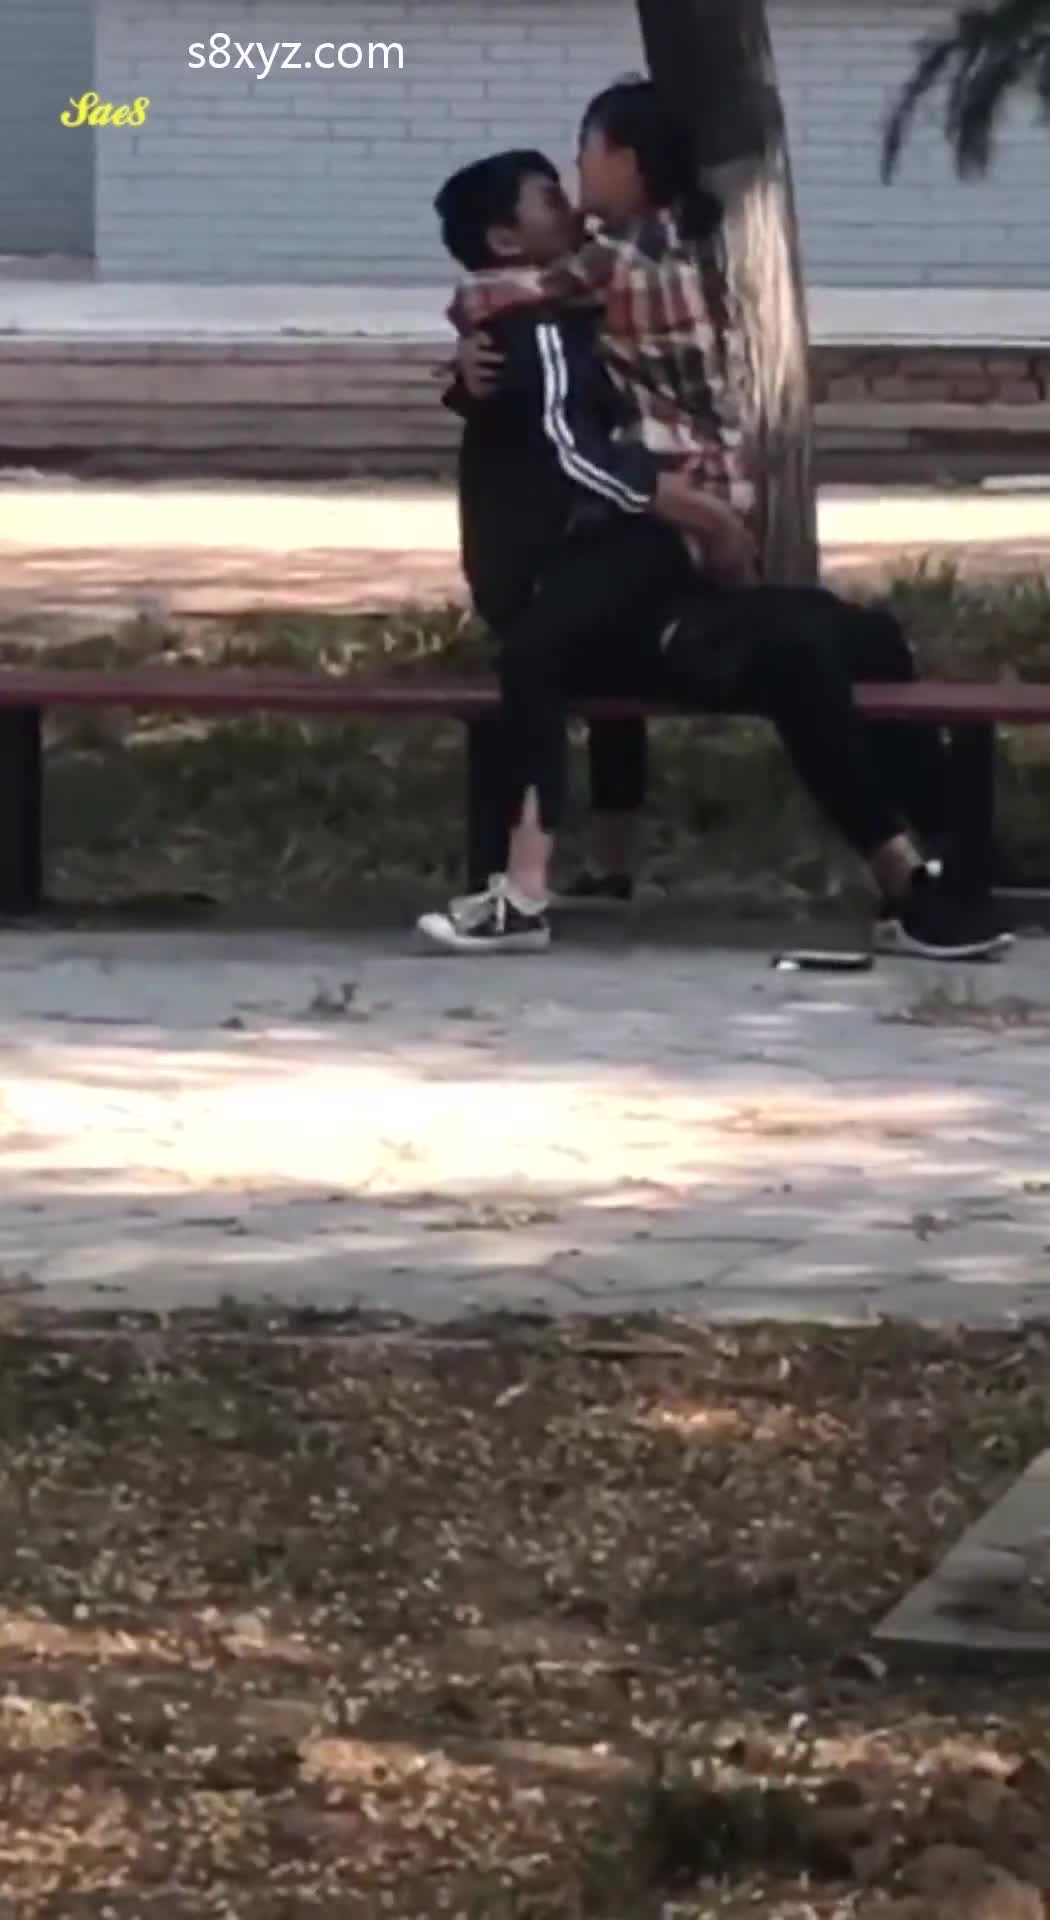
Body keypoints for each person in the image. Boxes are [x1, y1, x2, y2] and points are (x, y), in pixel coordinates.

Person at [417, 134, 1010, 962]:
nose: (572, 200)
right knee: (789, 655)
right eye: (549, 196)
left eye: (579, 169)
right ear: (506, 239)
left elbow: (536, 341)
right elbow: (564, 446)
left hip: (644, 589)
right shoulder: (535, 324)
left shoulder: (590, 295)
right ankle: (905, 884)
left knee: (861, 636)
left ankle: (955, 865)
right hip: (586, 599)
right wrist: (687, 507)